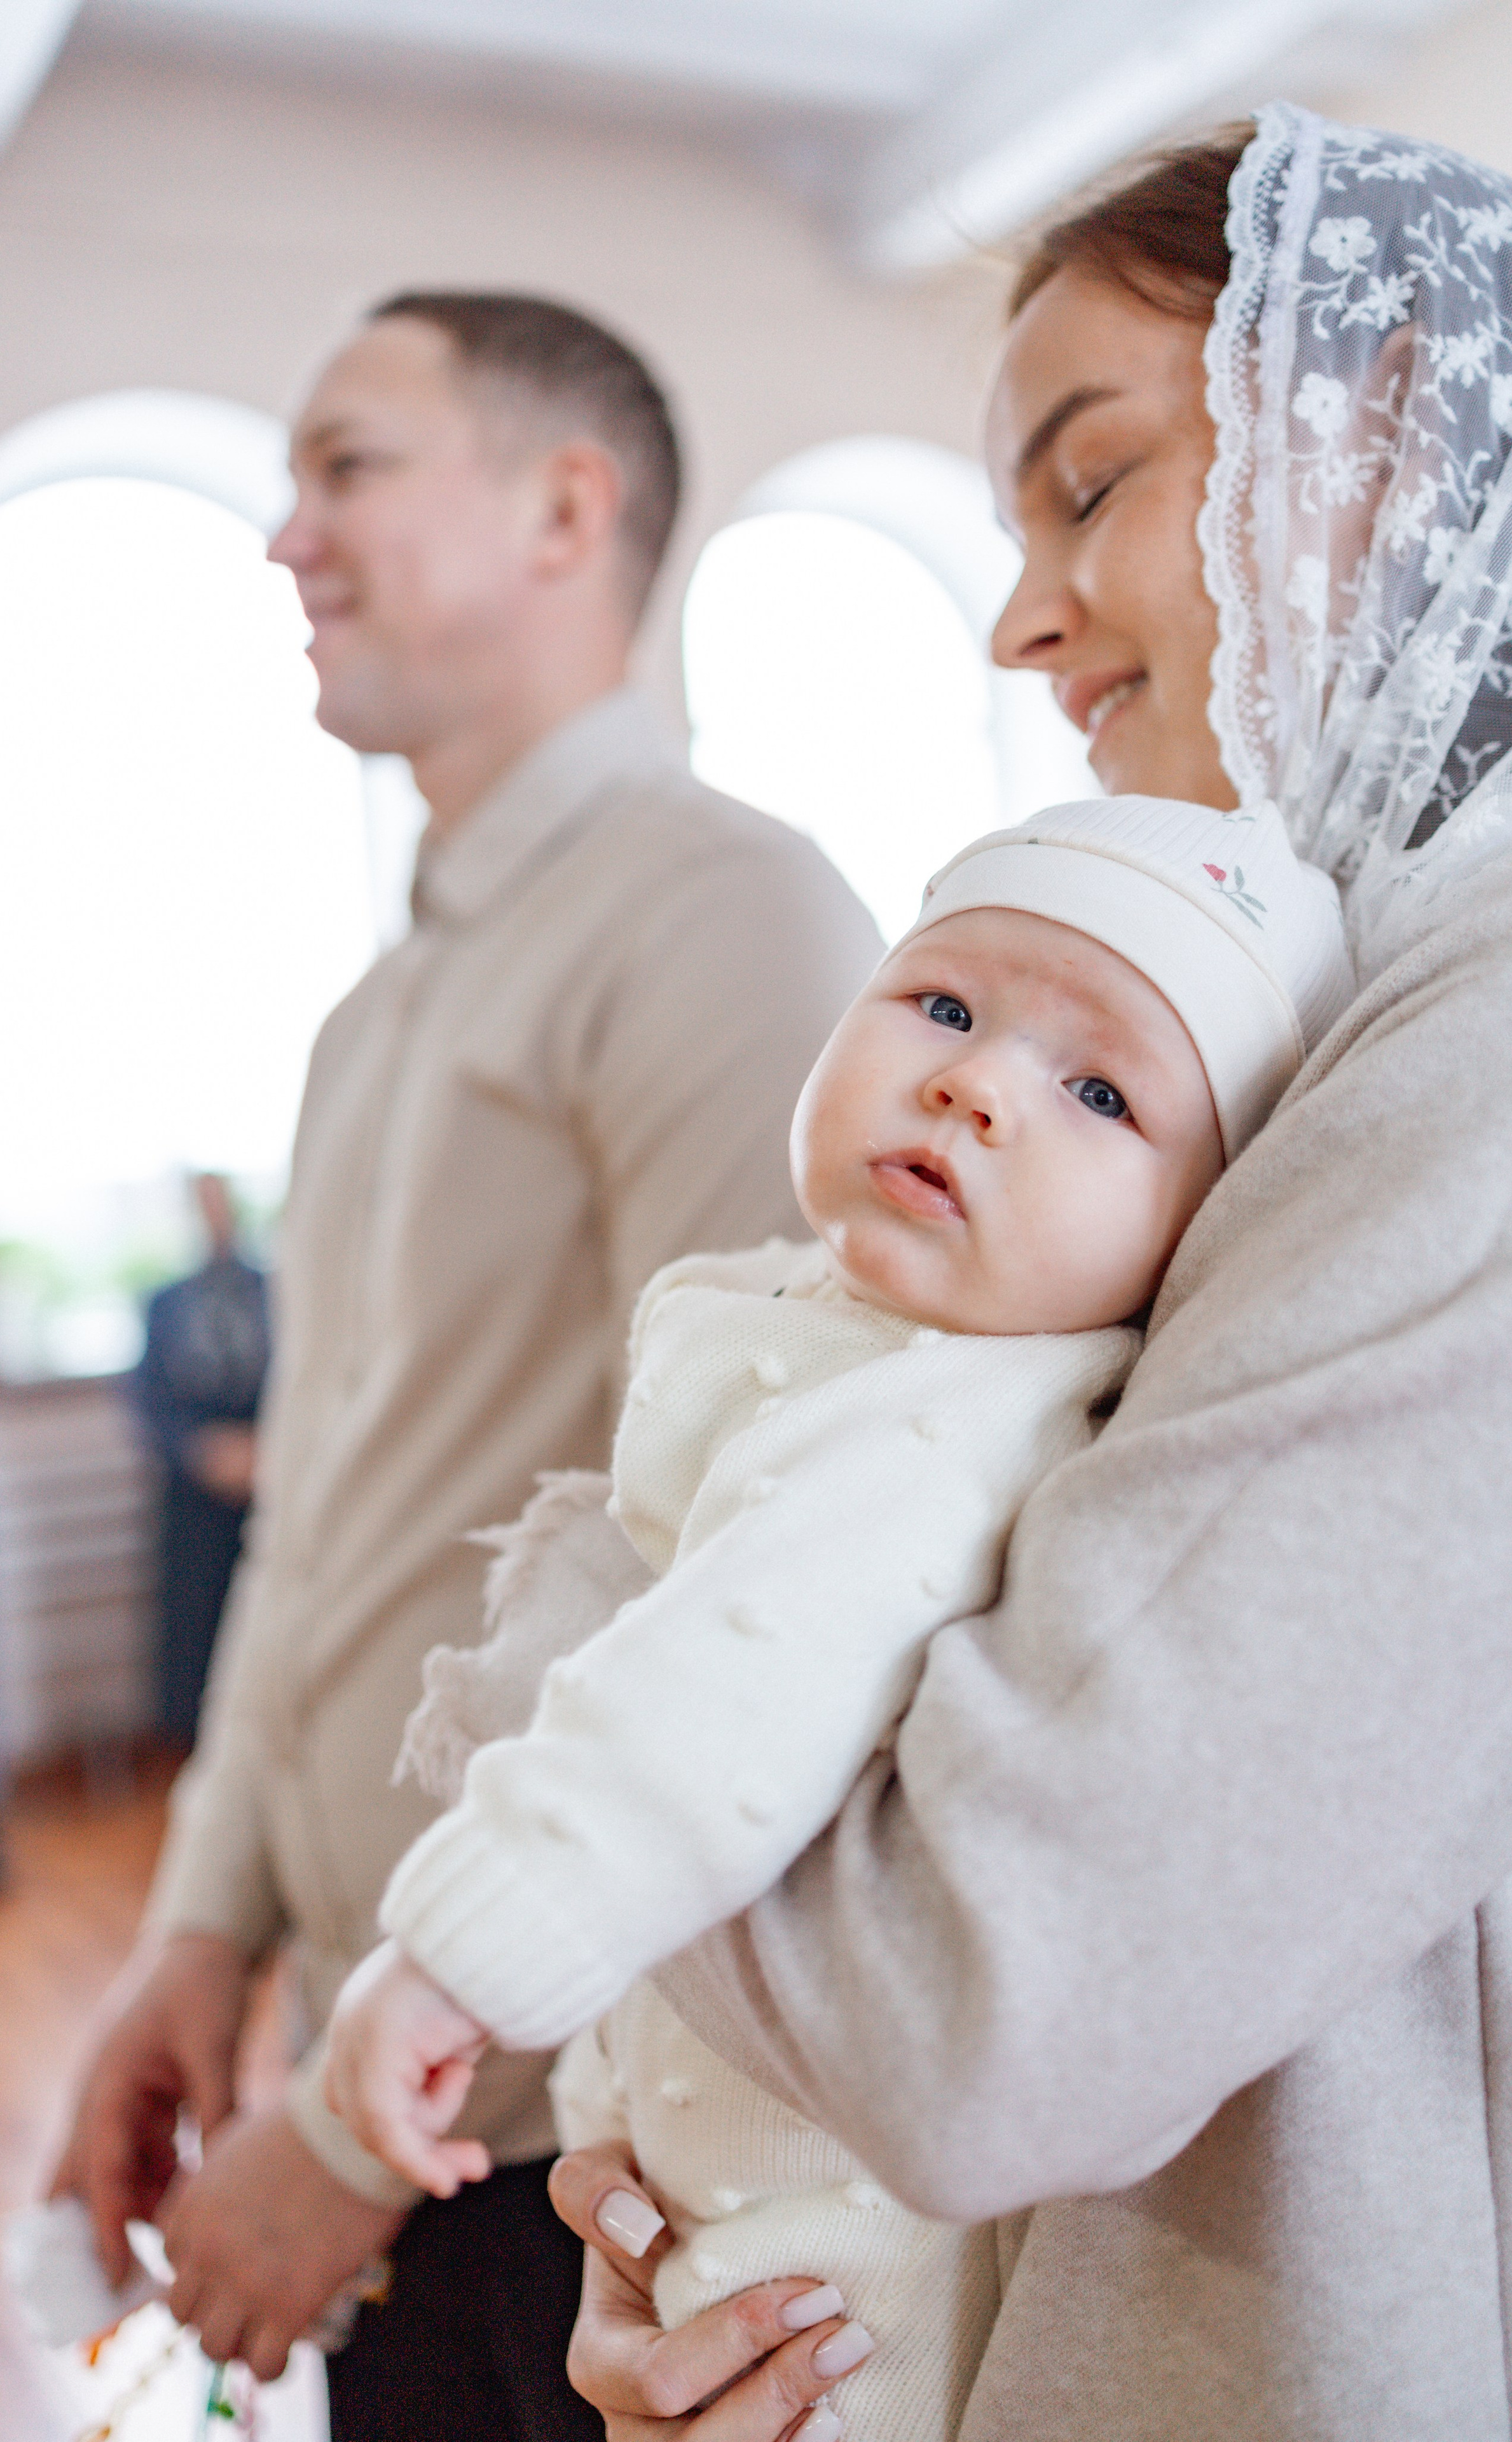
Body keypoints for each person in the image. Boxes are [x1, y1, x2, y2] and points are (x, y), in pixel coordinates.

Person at [529, 107, 1512, 2439]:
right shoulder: (1325, 1013)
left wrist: (571, 1628)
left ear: (1388, 440)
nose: (1019, 620)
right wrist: (736, 2212)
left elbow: (984, 2000)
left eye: (1087, 485)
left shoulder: (1480, 1044)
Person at [47, 289, 881, 2436]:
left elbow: (750, 1583)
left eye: (348, 467)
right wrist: (201, 1931)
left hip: (558, 2118)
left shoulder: (728, 914)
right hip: (389, 2052)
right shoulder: (374, 1011)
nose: (283, 537)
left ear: (563, 508)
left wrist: (350, 2135)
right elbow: (326, 1524)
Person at [324, 791, 1354, 2438]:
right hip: (710, 2153)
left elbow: (724, 1685)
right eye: (944, 1005)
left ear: (1190, 1238)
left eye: (1100, 1094)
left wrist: (453, 1957)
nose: (974, 1082)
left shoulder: (947, 1417)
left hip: (837, 2254)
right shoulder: (830, 1324)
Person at [131, 1173, 269, 1750]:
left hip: (267, 1476)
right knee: (197, 1631)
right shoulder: (167, 1303)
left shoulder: (275, 1291)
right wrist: (201, 1451)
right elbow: (147, 1400)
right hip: (195, 1490)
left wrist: (265, 1450)